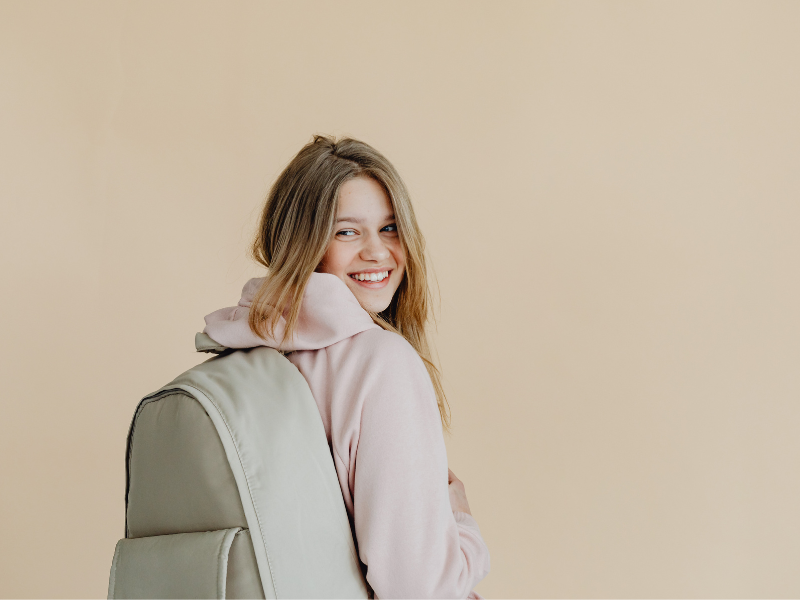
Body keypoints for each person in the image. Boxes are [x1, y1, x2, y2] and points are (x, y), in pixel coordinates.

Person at [202, 135, 490, 598]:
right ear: (304, 244)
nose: (377, 251)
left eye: (390, 228)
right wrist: (461, 522)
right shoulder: (381, 363)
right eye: (347, 232)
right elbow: (418, 588)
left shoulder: (246, 356)